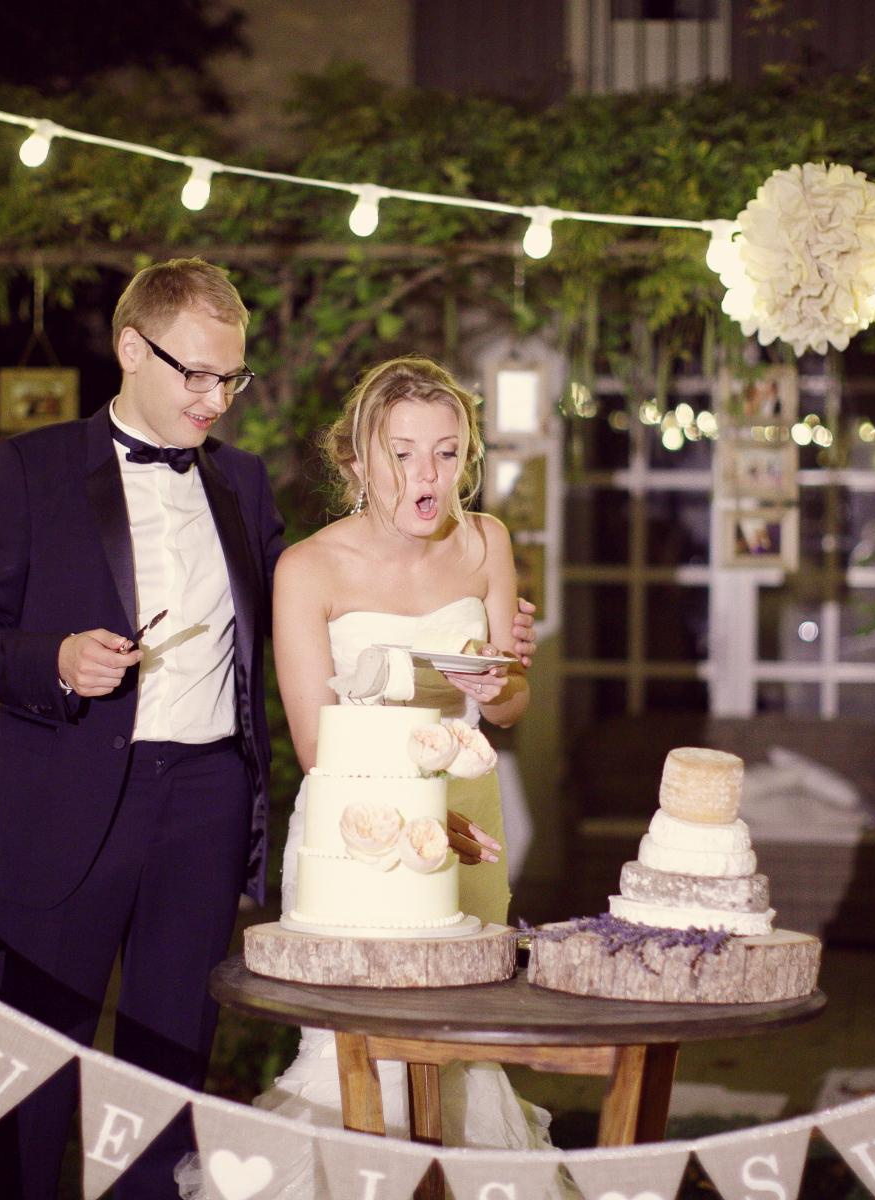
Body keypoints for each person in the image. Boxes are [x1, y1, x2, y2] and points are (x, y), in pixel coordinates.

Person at [0, 260, 536, 1200]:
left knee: (169, 1072)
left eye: (232, 378)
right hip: (67, 800)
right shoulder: (29, 468)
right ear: (133, 350)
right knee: (36, 1066)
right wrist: (53, 661)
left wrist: (478, 626)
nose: (216, 399)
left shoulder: (245, 486)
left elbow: (327, 609)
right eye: (197, 375)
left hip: (206, 805)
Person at [176, 356, 554, 1200]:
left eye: (449, 453)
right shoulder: (307, 569)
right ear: (356, 462)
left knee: (461, 1049)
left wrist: (503, 686)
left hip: (470, 819)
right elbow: (315, 745)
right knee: (362, 1059)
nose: (429, 476)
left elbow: (510, 706)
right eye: (404, 454)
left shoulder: (488, 541)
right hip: (361, 833)